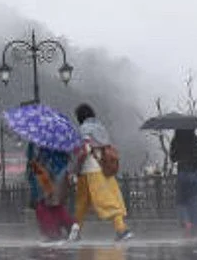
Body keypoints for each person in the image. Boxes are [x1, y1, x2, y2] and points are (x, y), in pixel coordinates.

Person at [71, 104, 132, 242]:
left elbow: (85, 149)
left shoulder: (84, 129)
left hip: (89, 170)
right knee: (107, 198)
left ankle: (121, 230)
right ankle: (76, 232)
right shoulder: (101, 128)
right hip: (102, 168)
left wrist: (75, 168)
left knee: (98, 202)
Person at [26, 142, 76, 244]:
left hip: (43, 174)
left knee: (42, 205)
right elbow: (67, 158)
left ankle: (52, 232)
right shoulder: (60, 141)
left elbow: (32, 159)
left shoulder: (37, 140)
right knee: (55, 205)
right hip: (59, 174)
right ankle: (69, 226)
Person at [169, 128, 197, 237]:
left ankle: (186, 223)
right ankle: (195, 228)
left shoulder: (177, 141)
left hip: (183, 174)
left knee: (181, 202)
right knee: (194, 202)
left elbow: (173, 158)